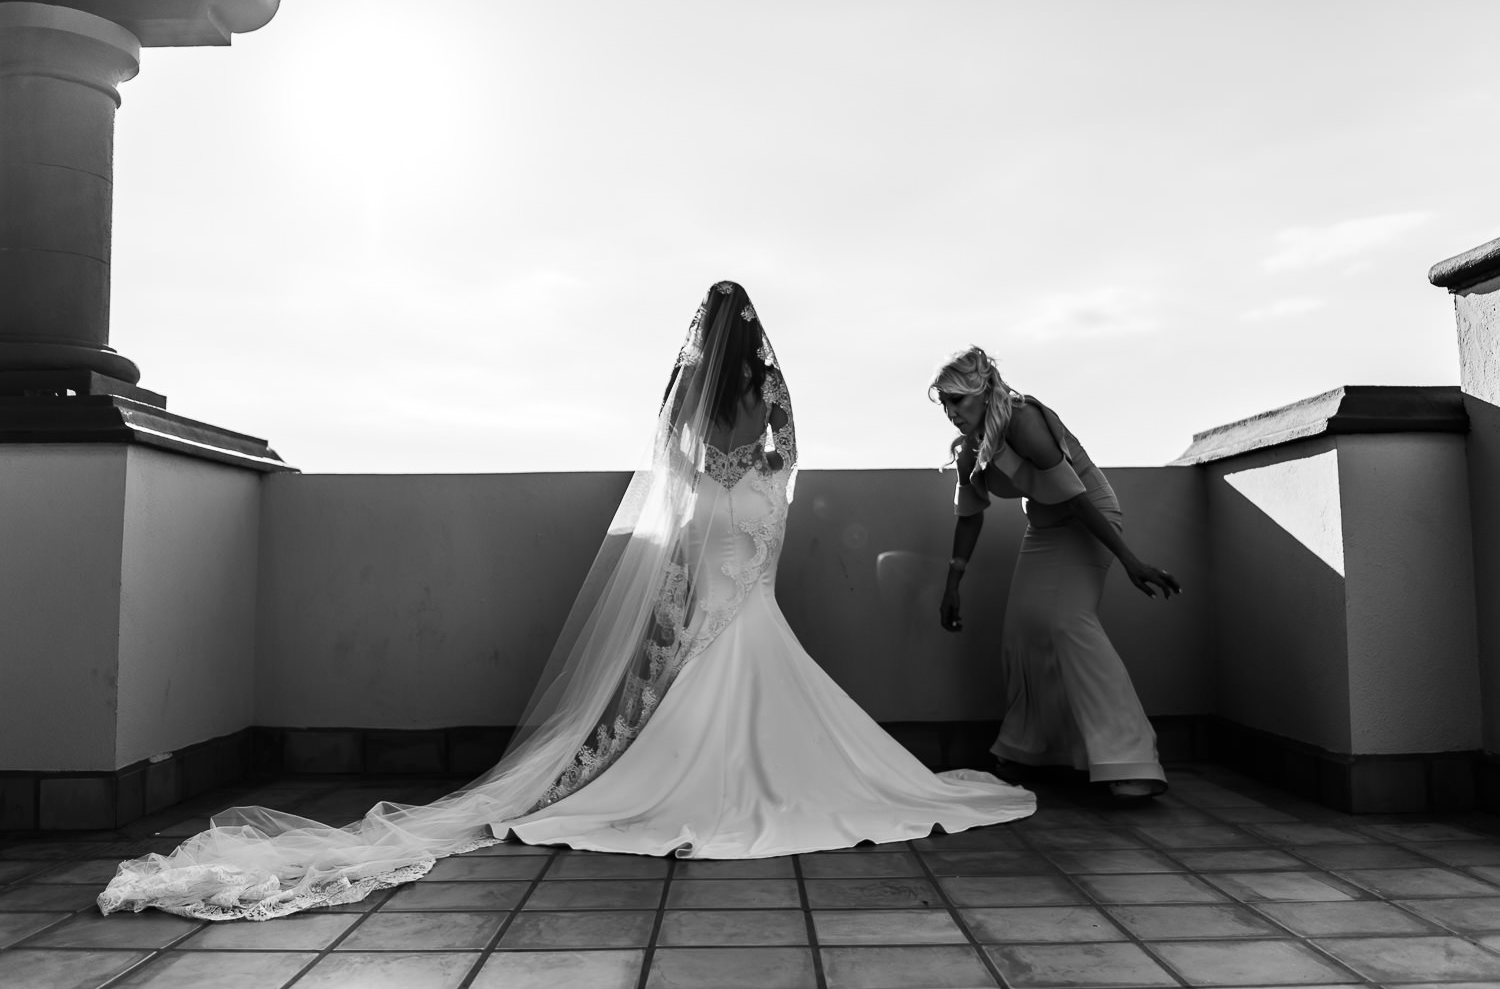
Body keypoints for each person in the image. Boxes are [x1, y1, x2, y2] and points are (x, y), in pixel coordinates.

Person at [98, 283, 1035, 922]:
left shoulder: (689, 393)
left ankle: (642, 767)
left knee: (696, 647)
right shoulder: (771, 394)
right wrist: (754, 481)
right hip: (750, 528)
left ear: (702, 338)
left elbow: (671, 465)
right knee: (755, 640)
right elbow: (788, 456)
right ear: (758, 342)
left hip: (710, 520)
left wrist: (715, 479)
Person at [930, 346, 1181, 800]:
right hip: (1045, 527)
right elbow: (970, 516)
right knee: (1024, 629)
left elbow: (1075, 496)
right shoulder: (971, 449)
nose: (951, 412)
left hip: (1090, 518)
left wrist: (1129, 560)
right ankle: (1035, 751)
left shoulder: (1024, 420)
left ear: (984, 392)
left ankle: (1131, 761)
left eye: (958, 400)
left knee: (1067, 623)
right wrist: (952, 584)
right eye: (945, 403)